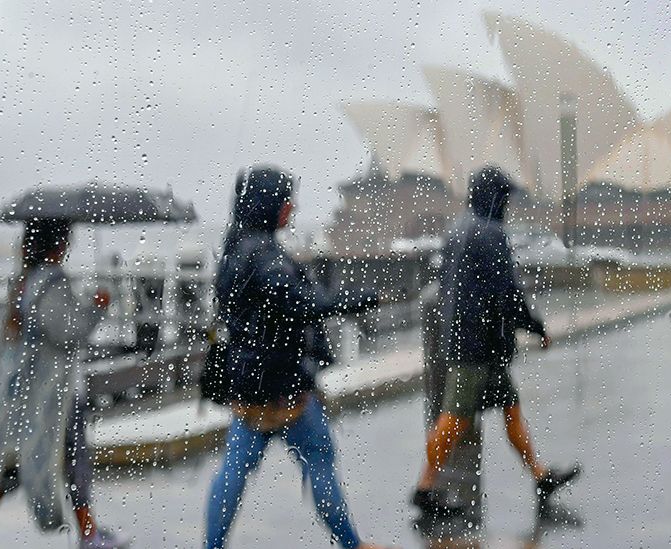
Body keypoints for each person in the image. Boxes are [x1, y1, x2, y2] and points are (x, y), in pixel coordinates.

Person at [204, 166, 391, 549]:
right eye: (285, 200)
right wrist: (359, 297)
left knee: (235, 468)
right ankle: (353, 544)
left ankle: (211, 546)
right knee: (319, 459)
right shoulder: (264, 256)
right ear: (269, 204)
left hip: (247, 381)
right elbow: (304, 303)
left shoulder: (235, 247)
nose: (292, 207)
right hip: (282, 383)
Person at [412, 166, 580, 518]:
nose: (508, 204)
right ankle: (425, 488)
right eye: (505, 196)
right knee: (454, 420)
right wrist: (535, 326)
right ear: (495, 197)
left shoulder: (458, 229)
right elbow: (506, 292)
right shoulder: (489, 233)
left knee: (511, 409)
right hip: (476, 347)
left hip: (473, 341)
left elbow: (449, 286)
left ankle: (540, 475)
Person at [0, 219, 127, 549]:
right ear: (58, 244)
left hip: (33, 389)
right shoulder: (51, 282)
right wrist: (97, 307)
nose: (69, 245)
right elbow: (67, 332)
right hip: (57, 393)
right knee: (74, 460)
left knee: (27, 460)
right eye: (66, 238)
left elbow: (34, 332)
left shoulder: (25, 281)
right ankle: (89, 535)